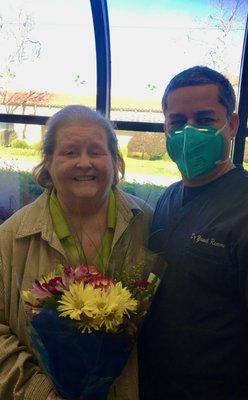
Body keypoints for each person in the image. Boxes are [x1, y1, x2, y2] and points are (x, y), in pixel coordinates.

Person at [138, 66, 248, 399]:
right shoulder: (167, 198)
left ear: (233, 125)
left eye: (205, 120)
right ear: (165, 128)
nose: (188, 132)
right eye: (178, 122)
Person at [0, 105, 153, 400]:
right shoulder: (11, 237)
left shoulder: (148, 224)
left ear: (114, 160)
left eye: (96, 151)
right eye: (70, 152)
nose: (84, 163)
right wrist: (38, 392)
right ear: (48, 162)